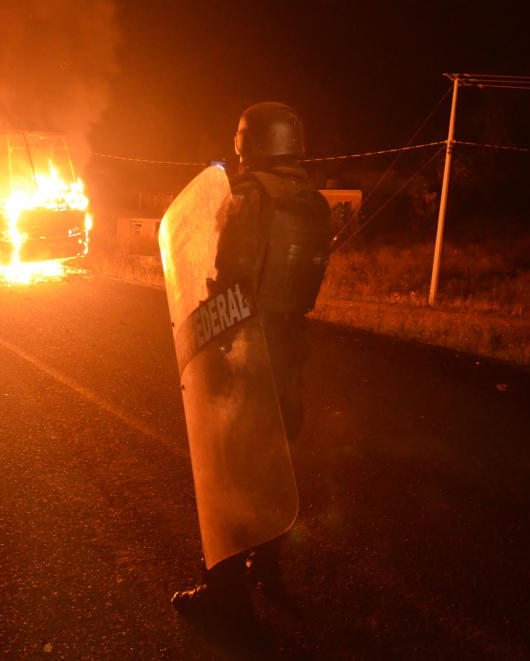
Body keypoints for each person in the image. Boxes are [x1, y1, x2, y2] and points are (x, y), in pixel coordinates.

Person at [171, 102, 332, 616]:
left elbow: (232, 278)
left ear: (250, 143)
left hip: (246, 347)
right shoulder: (312, 201)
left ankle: (223, 596)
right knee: (273, 463)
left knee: (230, 469)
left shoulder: (249, 196)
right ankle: (268, 570)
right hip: (290, 346)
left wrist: (209, 340)